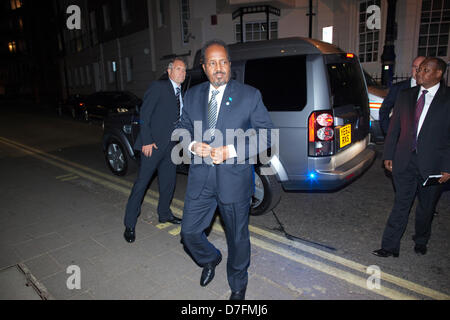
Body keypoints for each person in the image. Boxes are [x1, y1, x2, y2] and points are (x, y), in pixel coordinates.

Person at [177, 39, 274, 300]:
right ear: (204, 67)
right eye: (212, 63)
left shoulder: (249, 95)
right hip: (201, 178)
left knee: (238, 239)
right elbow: (183, 127)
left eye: (223, 62)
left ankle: (238, 284)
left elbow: (267, 136)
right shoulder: (192, 95)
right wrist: (192, 144)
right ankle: (210, 258)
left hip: (234, 180)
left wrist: (230, 150)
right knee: (188, 233)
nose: (218, 67)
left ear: (230, 65)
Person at [373, 57, 450, 258]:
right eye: (419, 69)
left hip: (433, 164)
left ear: (438, 74)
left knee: (426, 208)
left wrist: (447, 166)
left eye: (425, 70)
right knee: (401, 203)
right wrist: (388, 154)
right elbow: (395, 128)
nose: (419, 73)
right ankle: (389, 246)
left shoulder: (447, 98)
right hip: (405, 160)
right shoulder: (406, 95)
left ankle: (421, 240)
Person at [123, 58, 186, 243]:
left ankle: (164, 214)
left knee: (168, 183)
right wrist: (147, 141)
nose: (182, 72)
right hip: (153, 146)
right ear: (169, 71)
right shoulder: (158, 87)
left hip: (171, 146)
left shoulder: (180, 91)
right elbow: (145, 114)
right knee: (141, 184)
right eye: (178, 69)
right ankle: (129, 224)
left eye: (184, 70)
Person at [379, 56, 425, 135]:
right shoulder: (398, 88)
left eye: (421, 68)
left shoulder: (430, 90)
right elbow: (384, 110)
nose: (417, 71)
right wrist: (389, 132)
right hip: (401, 137)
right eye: (415, 67)